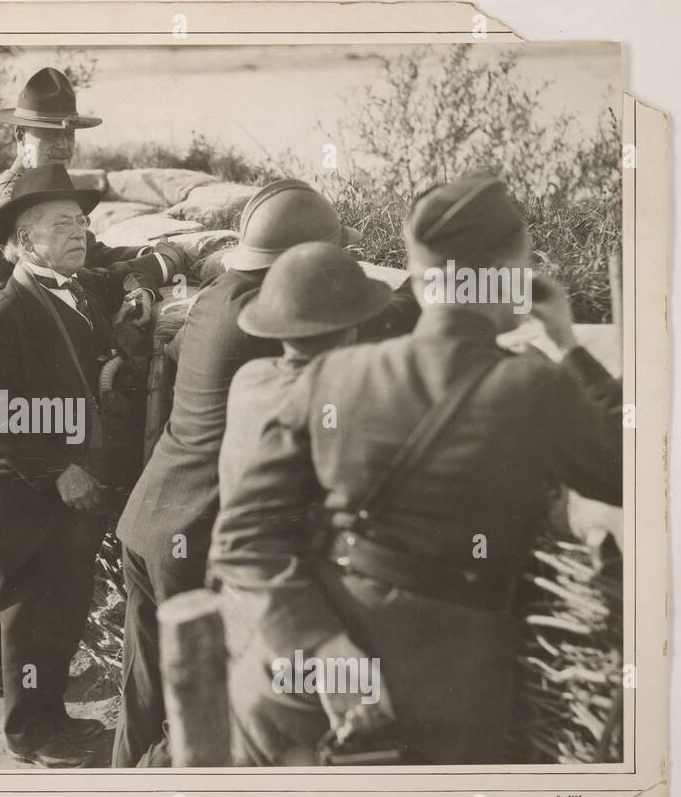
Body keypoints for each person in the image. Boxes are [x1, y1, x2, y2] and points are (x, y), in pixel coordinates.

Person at [214, 173, 622, 764]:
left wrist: (324, 648)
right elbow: (625, 470)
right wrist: (569, 345)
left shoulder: (335, 375)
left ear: (419, 273)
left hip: (295, 686)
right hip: (437, 699)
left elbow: (243, 535)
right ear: (509, 271)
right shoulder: (535, 386)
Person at [111, 179, 387, 768]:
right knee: (193, 710)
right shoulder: (268, 326)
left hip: (148, 518)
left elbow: (184, 350)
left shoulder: (217, 297)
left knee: (140, 696)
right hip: (194, 538)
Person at [0, 67, 181, 686]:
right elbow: (38, 279)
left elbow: (87, 253)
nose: (60, 142)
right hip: (7, 352)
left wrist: (145, 266)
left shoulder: (47, 183)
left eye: (68, 131)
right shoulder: (9, 198)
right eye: (46, 131)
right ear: (20, 136)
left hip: (27, 343)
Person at [0, 164, 156, 767]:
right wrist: (59, 472)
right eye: (61, 225)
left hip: (72, 486)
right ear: (23, 242)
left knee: (65, 608)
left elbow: (123, 274)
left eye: (80, 221)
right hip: (27, 489)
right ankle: (30, 735)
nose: (78, 232)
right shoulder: (4, 318)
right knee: (29, 612)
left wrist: (148, 283)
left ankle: (54, 720)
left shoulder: (78, 288)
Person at [208, 241, 395, 765]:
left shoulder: (250, 380)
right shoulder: (343, 403)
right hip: (301, 643)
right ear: (357, 326)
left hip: (245, 622)